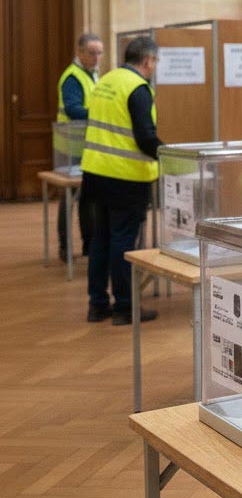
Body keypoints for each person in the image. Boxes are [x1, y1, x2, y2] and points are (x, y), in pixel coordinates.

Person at [81, 37, 162, 325]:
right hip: (125, 178)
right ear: (148, 60)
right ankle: (125, 306)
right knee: (123, 241)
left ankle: (97, 304)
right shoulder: (138, 88)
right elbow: (145, 138)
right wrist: (169, 156)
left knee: (100, 239)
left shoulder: (106, 80)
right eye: (155, 62)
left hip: (94, 173)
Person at [56, 32, 103, 261]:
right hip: (69, 145)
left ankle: (88, 244)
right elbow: (74, 110)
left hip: (86, 144)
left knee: (88, 196)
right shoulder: (73, 77)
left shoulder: (93, 74)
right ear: (80, 52)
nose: (96, 58)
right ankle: (65, 246)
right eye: (92, 53)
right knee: (69, 196)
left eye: (99, 53)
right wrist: (101, 113)